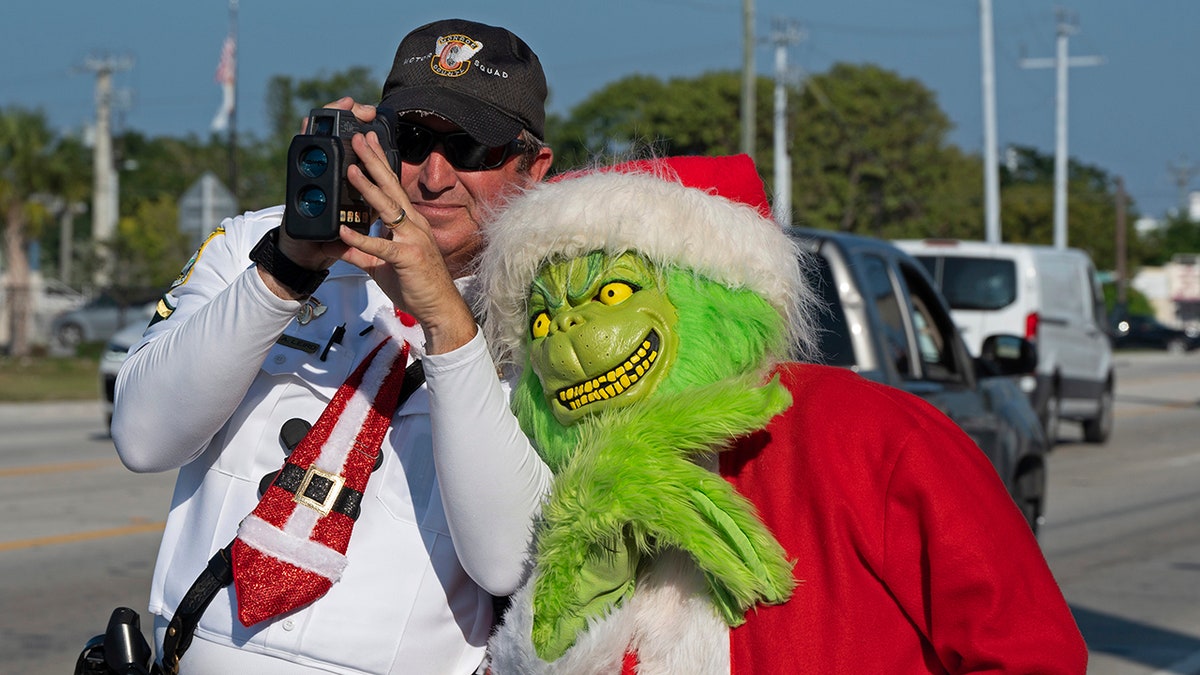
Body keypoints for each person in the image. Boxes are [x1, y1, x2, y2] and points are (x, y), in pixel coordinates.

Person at [474, 155, 1089, 673]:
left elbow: (1025, 649)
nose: (568, 330)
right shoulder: (556, 473)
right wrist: (580, 587)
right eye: (543, 317)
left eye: (612, 293)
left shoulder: (869, 433)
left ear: (710, 291)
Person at [111, 18, 553, 674]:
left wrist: (448, 323)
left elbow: (507, 559)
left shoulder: (559, 317)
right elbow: (143, 439)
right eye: (411, 140)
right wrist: (286, 269)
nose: (433, 177)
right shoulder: (257, 244)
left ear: (534, 167)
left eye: (470, 150)